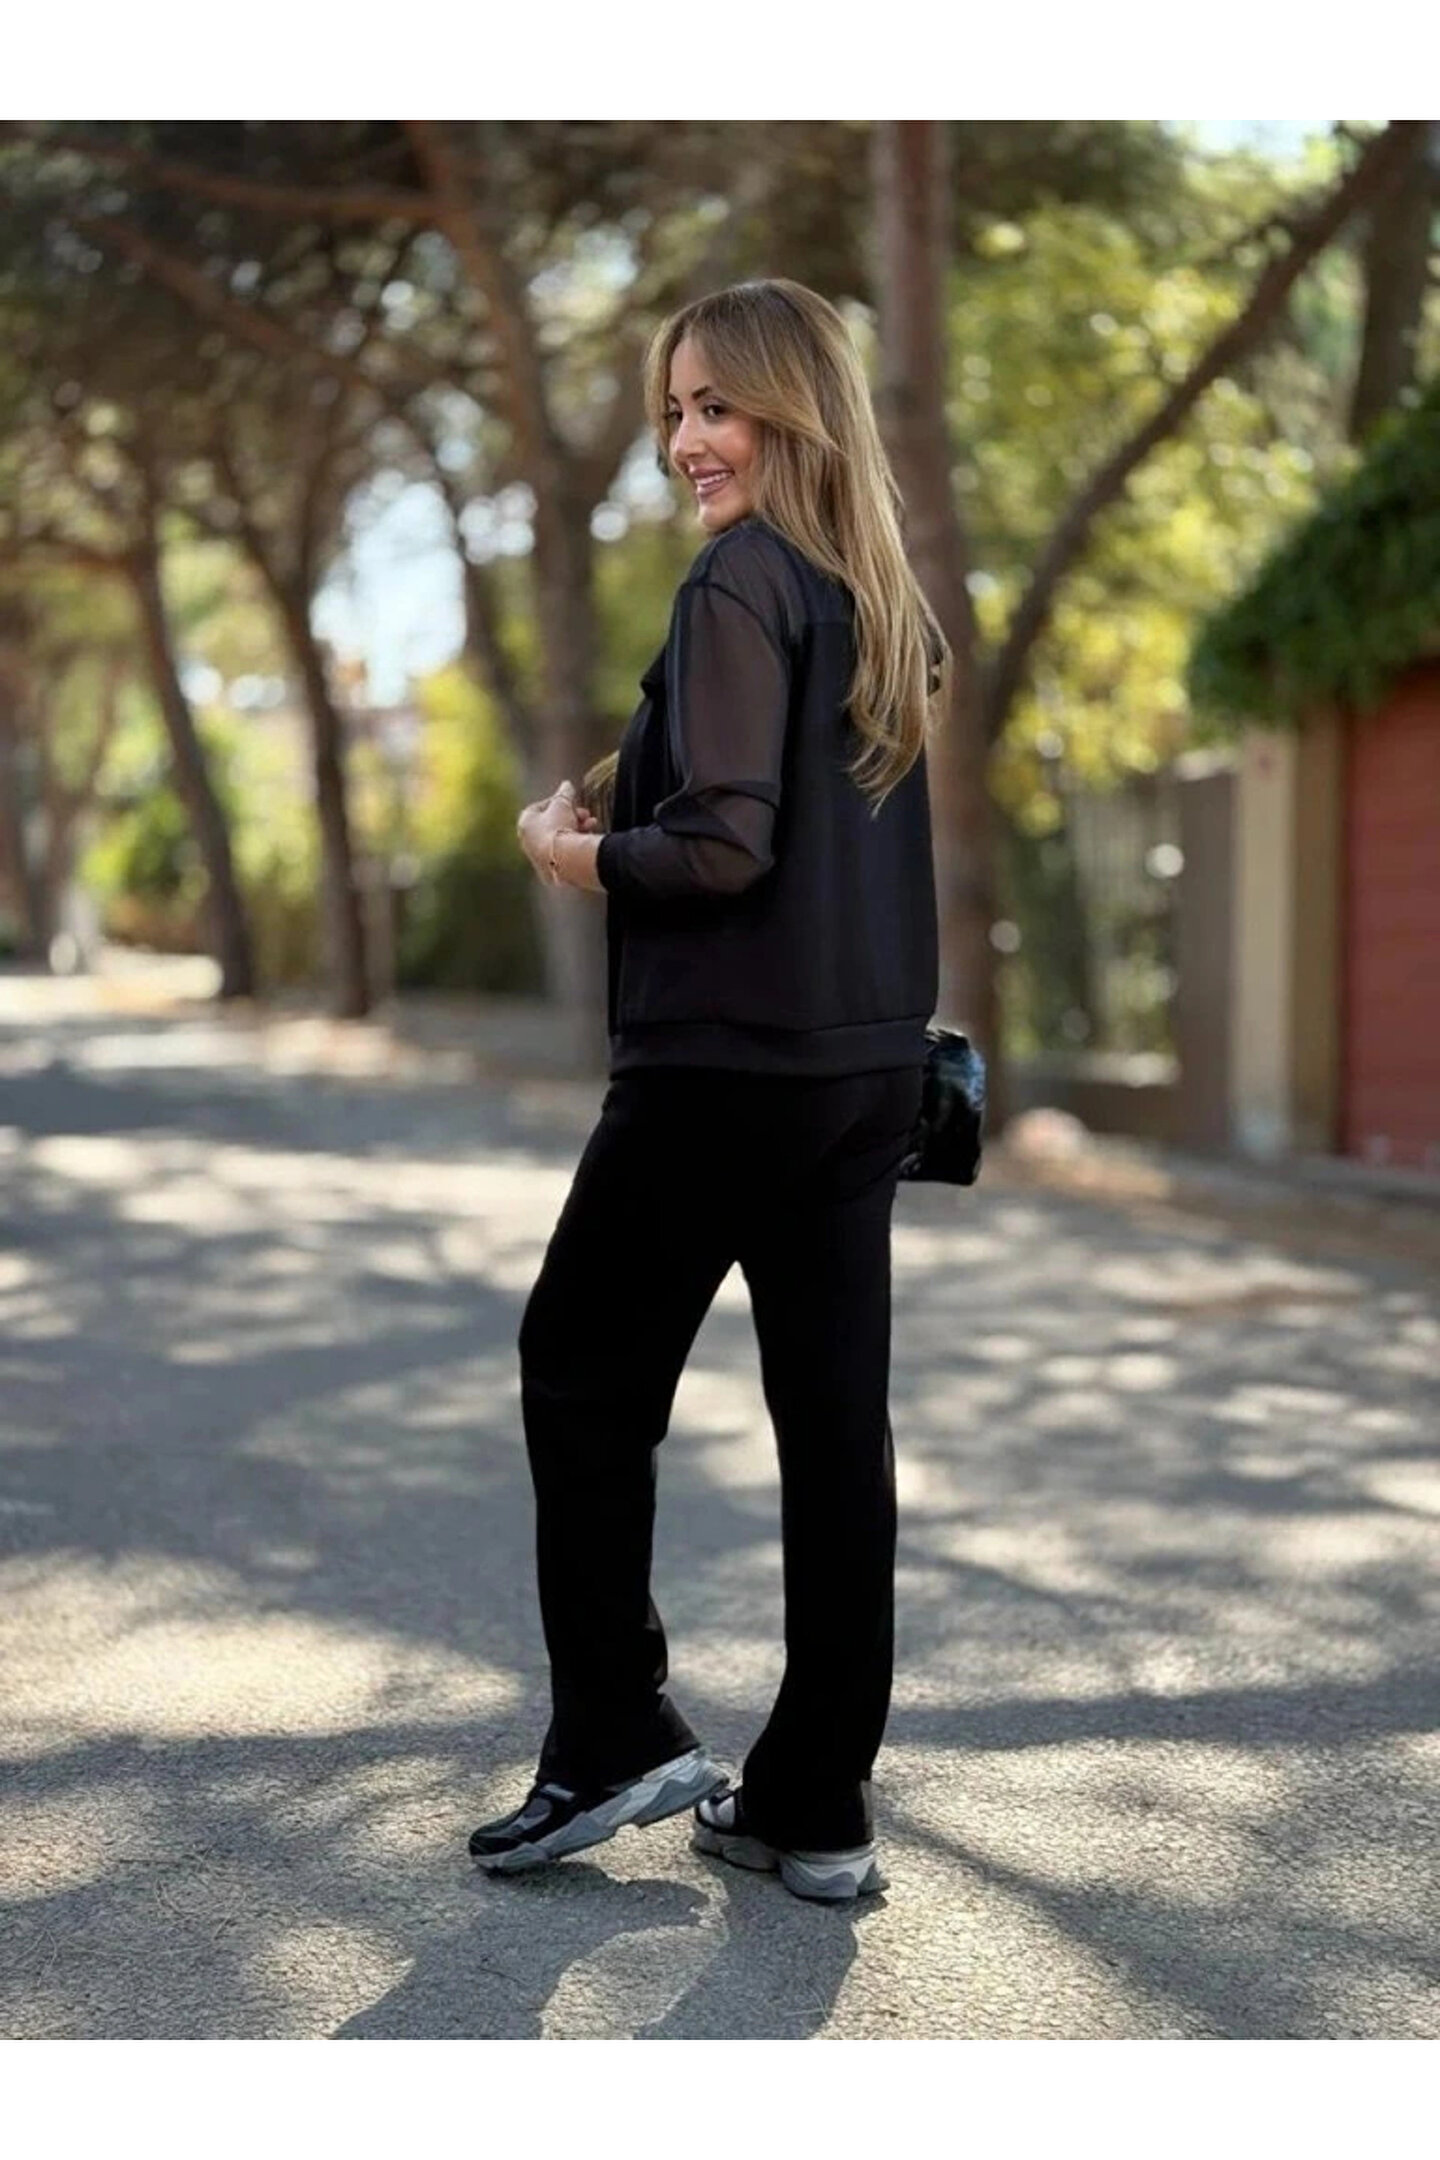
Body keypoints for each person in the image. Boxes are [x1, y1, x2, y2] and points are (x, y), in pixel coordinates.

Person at [468, 277, 946, 1903]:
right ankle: (815, 1798)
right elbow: (786, 806)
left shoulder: (740, 578)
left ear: (792, 410)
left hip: (721, 1072)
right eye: (675, 410)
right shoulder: (876, 598)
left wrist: (575, 859)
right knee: (834, 1432)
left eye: (717, 406)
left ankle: (615, 1732)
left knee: (577, 1369)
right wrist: (630, 784)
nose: (687, 440)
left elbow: (729, 845)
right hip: (863, 1075)